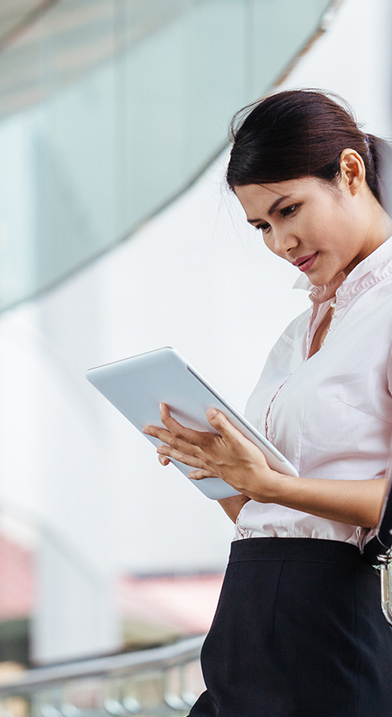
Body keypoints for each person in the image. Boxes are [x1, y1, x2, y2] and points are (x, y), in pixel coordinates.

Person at [142, 89, 392, 715]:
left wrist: (269, 486)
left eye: (288, 210)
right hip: (249, 626)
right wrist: (223, 475)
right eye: (262, 226)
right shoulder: (298, 334)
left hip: (337, 631)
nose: (280, 241)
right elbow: (277, 513)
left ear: (351, 172)